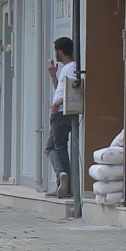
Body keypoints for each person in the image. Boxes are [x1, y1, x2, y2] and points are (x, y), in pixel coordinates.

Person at [46, 37, 79, 198]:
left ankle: (63, 177)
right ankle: (63, 181)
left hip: (60, 112)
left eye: (56, 52)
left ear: (60, 51)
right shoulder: (67, 68)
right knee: (56, 147)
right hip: (61, 110)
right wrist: (54, 76)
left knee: (55, 147)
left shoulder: (71, 68)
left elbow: (72, 91)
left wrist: (57, 104)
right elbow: (61, 89)